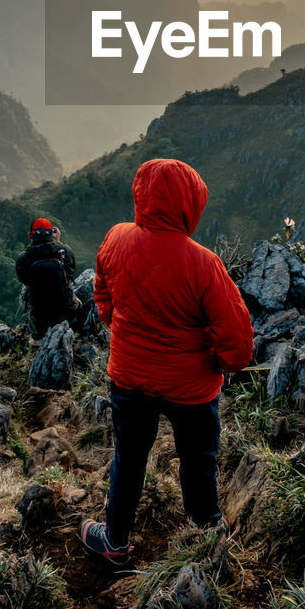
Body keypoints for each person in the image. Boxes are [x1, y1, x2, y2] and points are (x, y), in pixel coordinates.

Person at [80, 157, 253, 565]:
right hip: (190, 389)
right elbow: (238, 348)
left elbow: (102, 291)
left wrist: (119, 326)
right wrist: (219, 361)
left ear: (141, 195)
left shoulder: (116, 238)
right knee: (197, 461)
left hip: (129, 378)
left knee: (129, 457)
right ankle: (208, 536)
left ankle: (115, 542)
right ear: (189, 204)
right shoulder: (204, 264)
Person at [15, 216, 78, 337]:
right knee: (74, 294)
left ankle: (33, 329)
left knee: (24, 289)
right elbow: (70, 272)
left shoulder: (23, 258)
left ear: (30, 236)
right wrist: (58, 243)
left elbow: (24, 280)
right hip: (65, 313)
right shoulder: (64, 251)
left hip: (38, 317)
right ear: (52, 234)